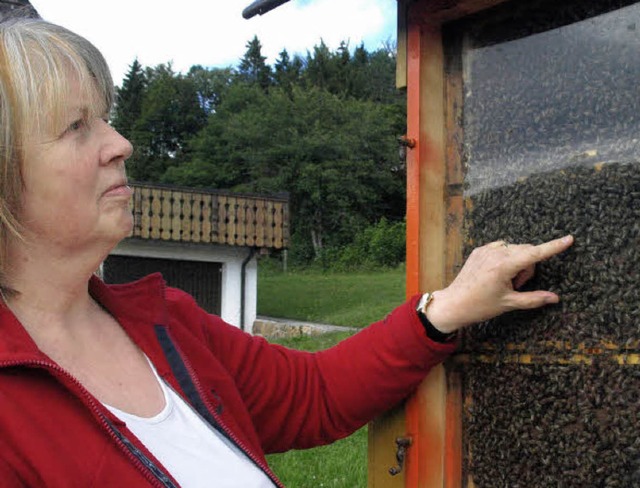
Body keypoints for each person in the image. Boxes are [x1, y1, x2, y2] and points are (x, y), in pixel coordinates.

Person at [0, 17, 574, 488]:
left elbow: (314, 395)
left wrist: (445, 309)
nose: (119, 144)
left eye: (107, 118)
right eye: (78, 126)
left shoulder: (165, 319)